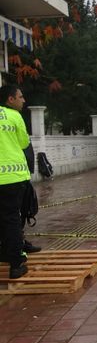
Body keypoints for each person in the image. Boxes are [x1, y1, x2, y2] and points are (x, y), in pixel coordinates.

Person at [0, 84, 31, 278]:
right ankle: (16, 262)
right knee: (12, 218)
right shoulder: (14, 116)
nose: (23, 100)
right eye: (20, 97)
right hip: (12, 177)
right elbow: (24, 143)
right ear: (10, 99)